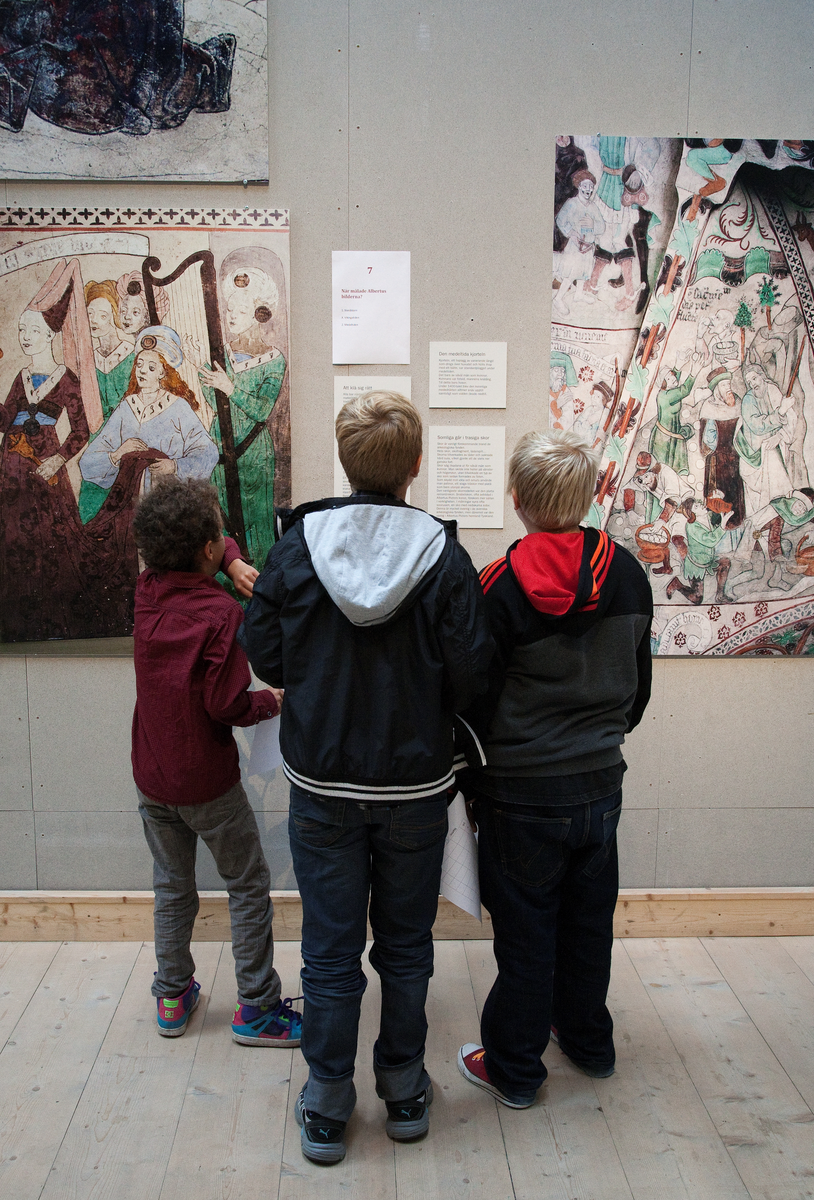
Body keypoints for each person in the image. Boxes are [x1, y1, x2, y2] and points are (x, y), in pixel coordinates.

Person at [238, 391, 493, 1164]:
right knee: (407, 946)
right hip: (415, 788)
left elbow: (267, 656)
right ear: (415, 465)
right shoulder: (446, 558)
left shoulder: (296, 549)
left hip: (322, 784)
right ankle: (404, 1085)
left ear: (344, 461)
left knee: (329, 948)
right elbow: (473, 675)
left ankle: (326, 1096)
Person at [456, 430, 652, 1108]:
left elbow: (474, 698)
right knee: (589, 925)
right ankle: (589, 1043)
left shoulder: (497, 585)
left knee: (525, 935)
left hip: (519, 794)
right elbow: (637, 689)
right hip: (600, 785)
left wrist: (474, 778)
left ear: (516, 499)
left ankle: (514, 1068)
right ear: (591, 495)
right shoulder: (628, 573)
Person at [130, 476, 302, 1046]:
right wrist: (270, 701)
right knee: (247, 884)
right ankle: (258, 1008)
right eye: (219, 539)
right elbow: (226, 704)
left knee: (171, 885)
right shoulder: (221, 614)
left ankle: (172, 995)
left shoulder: (147, 590)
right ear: (207, 547)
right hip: (208, 783)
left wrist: (226, 557)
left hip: (152, 776)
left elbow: (199, 545)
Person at [0, 258, 108, 642]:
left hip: (45, 471)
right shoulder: (21, 377)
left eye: (33, 330)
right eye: (21, 329)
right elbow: (5, 419)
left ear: (50, 334)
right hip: (10, 474)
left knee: (50, 545)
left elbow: (81, 430)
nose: (25, 336)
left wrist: (58, 459)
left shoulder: (66, 378)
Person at [190, 259, 287, 569]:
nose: (231, 316)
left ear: (258, 315)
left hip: (253, 451)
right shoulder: (222, 353)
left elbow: (261, 410)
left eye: (240, 311)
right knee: (219, 520)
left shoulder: (275, 359)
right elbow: (213, 397)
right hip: (220, 444)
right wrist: (200, 367)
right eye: (229, 309)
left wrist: (229, 387)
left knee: (255, 522)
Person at [80, 325, 219, 501]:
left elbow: (208, 452)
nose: (143, 371)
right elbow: (87, 462)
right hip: (130, 500)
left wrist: (174, 466)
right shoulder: (127, 407)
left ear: (163, 372)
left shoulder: (178, 406)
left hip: (167, 498)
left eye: (151, 367)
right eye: (139, 365)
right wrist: (118, 453)